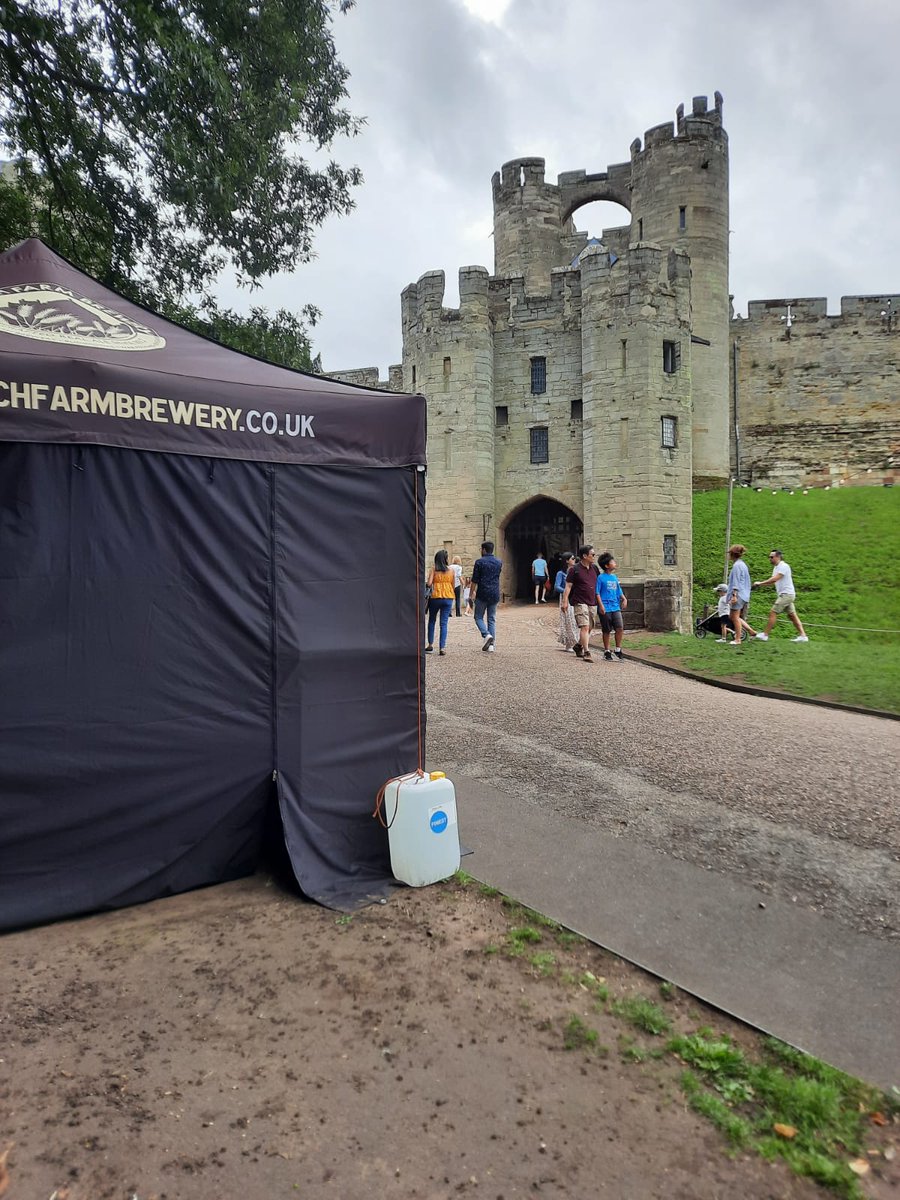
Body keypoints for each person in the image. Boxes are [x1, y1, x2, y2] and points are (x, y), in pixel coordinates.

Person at [752, 550, 809, 642]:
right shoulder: (776, 568)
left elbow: (774, 579)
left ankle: (765, 635)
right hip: (786, 594)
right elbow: (772, 582)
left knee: (773, 612)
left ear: (778, 557)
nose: (769, 559)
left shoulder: (784, 566)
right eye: (769, 557)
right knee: (792, 615)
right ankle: (803, 636)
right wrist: (760, 585)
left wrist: (760, 583)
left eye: (771, 557)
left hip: (787, 594)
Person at [561, 544, 600, 663]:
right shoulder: (574, 569)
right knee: (585, 626)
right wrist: (565, 601)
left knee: (590, 627)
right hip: (579, 601)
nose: (594, 556)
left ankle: (578, 645)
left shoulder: (595, 569)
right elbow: (568, 586)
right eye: (592, 554)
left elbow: (598, 584)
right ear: (584, 556)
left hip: (592, 601)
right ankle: (587, 652)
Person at [470, 540, 502, 652]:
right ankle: (491, 646)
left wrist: (471, 594)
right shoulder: (499, 562)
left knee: (478, 617)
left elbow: (474, 580)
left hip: (482, 593)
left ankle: (486, 634)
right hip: (494, 593)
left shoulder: (479, 562)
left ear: (483, 550)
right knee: (491, 619)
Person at [596, 552, 628, 661]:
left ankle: (618, 649)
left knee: (619, 627)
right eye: (612, 562)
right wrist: (600, 606)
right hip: (605, 607)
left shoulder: (614, 577)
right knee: (606, 630)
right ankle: (606, 651)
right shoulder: (600, 578)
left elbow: (619, 590)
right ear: (606, 565)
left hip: (615, 607)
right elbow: (597, 593)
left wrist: (624, 598)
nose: (615, 563)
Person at [724, 544, 758, 646]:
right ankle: (751, 631)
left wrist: (734, 595)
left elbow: (736, 581)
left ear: (732, 554)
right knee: (734, 616)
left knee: (734, 617)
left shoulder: (737, 566)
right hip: (744, 594)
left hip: (738, 594)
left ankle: (738, 639)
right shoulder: (742, 565)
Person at [425, 550, 455, 655]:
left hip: (435, 597)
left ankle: (430, 645)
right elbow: (452, 584)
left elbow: (429, 584)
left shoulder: (433, 570)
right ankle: (442, 648)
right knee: (444, 623)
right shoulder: (451, 571)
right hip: (448, 597)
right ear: (446, 559)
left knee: (432, 620)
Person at [555, 552, 579, 653]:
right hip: (565, 598)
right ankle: (569, 643)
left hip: (575, 597)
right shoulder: (561, 573)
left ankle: (576, 642)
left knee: (575, 620)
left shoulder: (575, 571)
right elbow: (557, 586)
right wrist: (566, 591)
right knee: (568, 619)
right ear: (567, 561)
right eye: (572, 558)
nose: (574, 560)